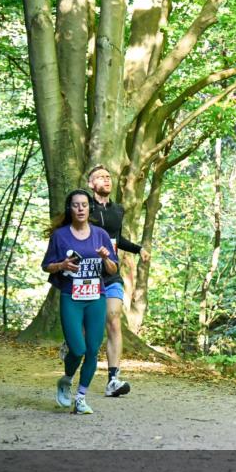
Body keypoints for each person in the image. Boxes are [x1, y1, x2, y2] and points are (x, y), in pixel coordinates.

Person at [42, 189, 118, 415]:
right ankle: (66, 380)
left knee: (93, 349)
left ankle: (81, 397)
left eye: (84, 204)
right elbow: (46, 265)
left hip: (96, 296)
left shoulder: (101, 234)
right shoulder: (60, 236)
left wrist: (106, 258)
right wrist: (62, 265)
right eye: (76, 205)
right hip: (71, 297)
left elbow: (113, 269)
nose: (81, 209)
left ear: (90, 208)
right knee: (77, 348)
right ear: (70, 209)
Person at [84, 164, 150, 397]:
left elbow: (117, 238)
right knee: (85, 326)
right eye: (100, 177)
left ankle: (113, 380)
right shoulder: (83, 207)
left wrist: (138, 248)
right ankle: (73, 343)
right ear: (91, 184)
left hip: (111, 273)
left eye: (108, 177)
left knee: (113, 318)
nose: (106, 180)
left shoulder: (117, 210)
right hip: (86, 273)